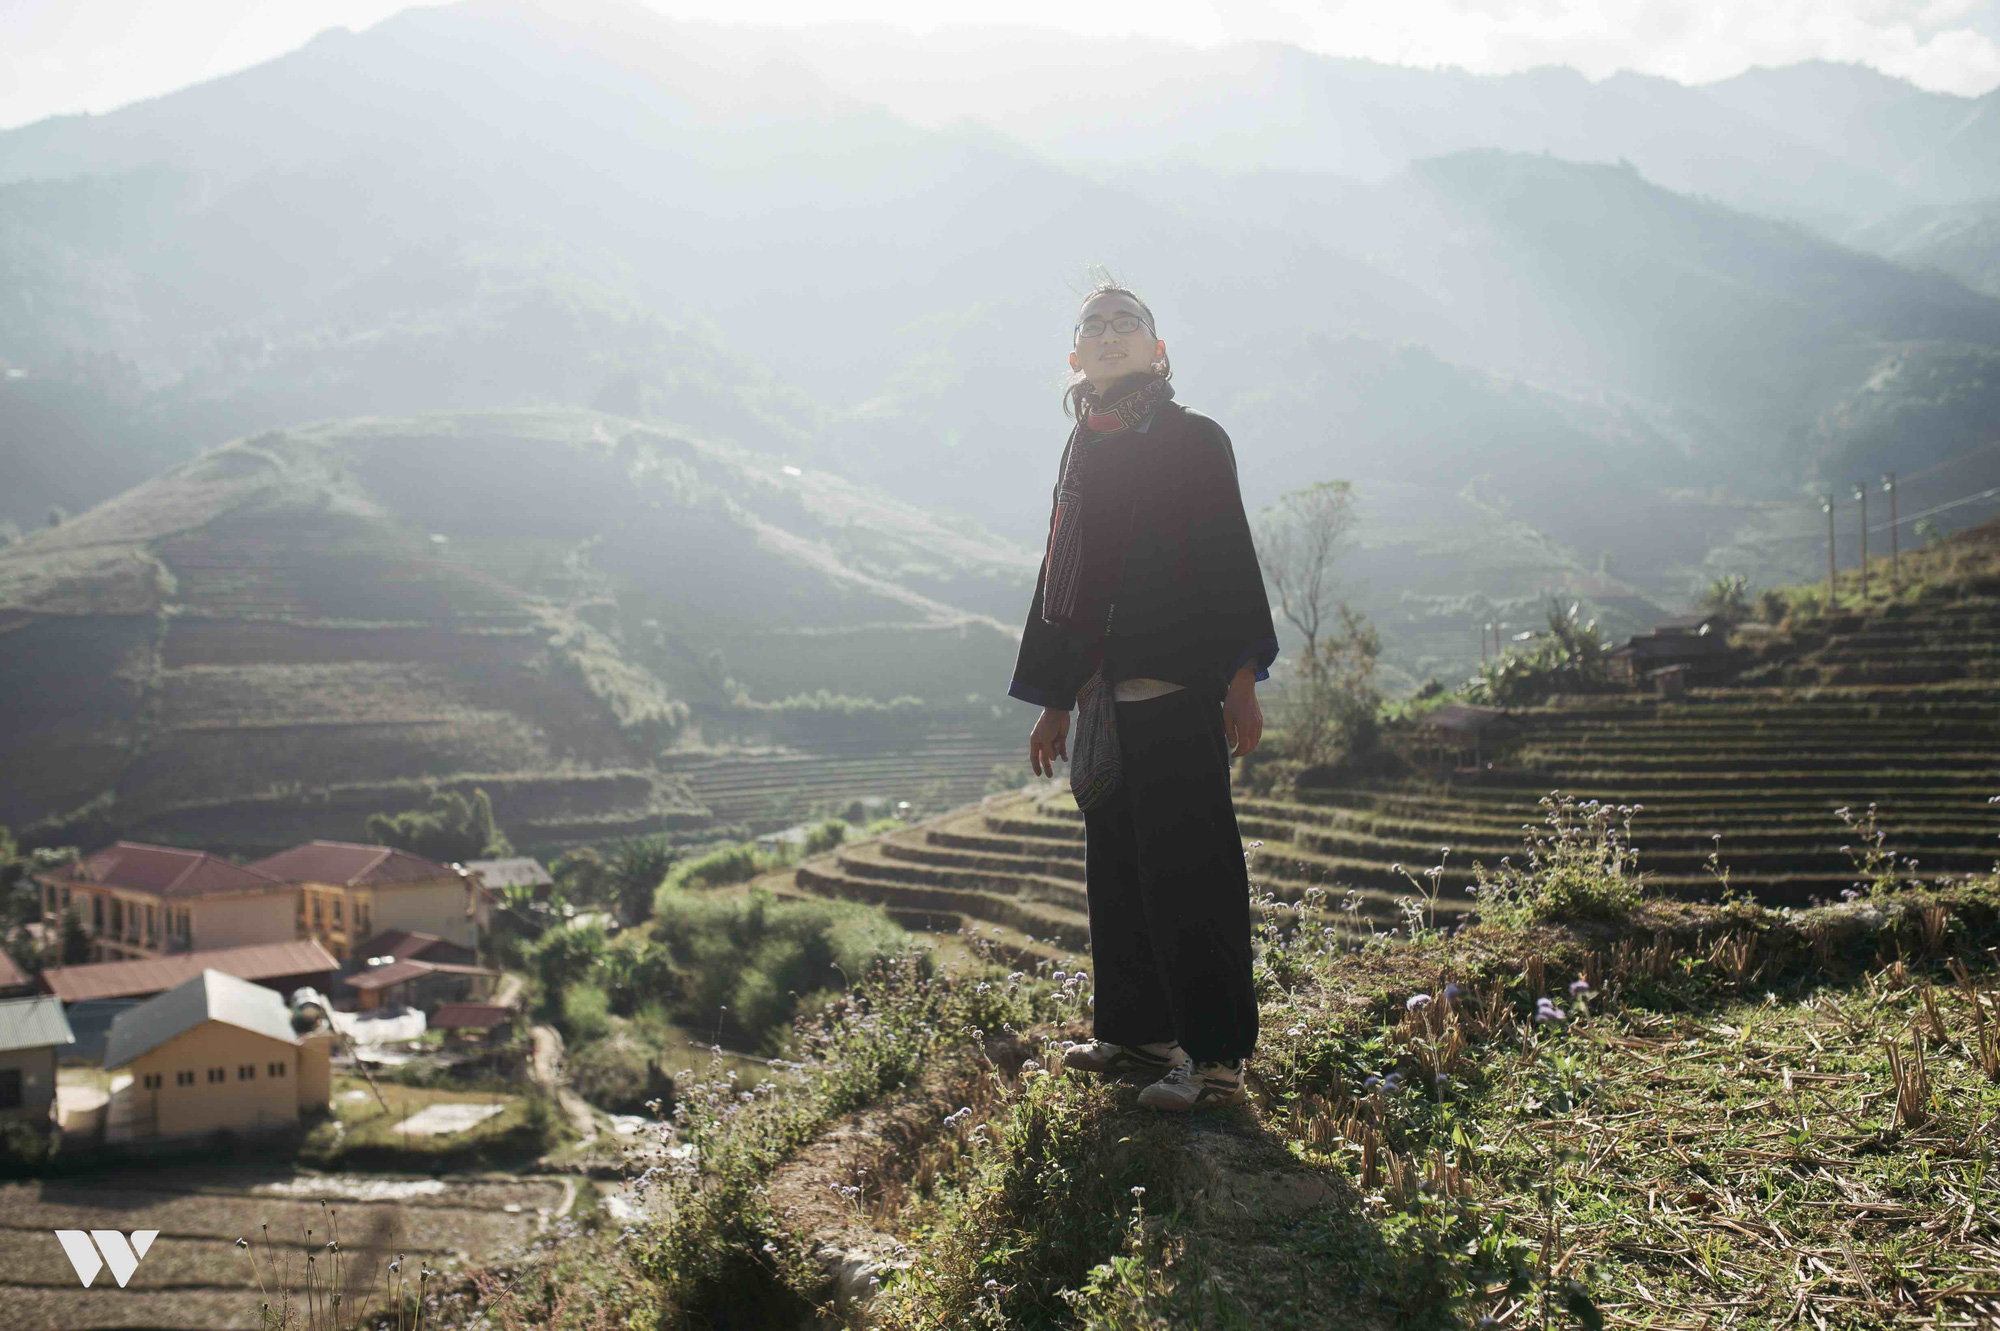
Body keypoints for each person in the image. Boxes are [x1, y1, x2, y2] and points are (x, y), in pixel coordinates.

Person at [1008, 281, 1277, 1111]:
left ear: (1158, 351)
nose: (1112, 333)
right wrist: (1057, 698)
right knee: (1118, 872)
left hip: (1177, 689)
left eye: (1129, 323)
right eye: (1095, 325)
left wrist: (1240, 678)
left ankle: (1216, 1060)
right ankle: (1135, 1035)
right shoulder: (1082, 450)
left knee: (1191, 872)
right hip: (1104, 703)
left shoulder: (1195, 439)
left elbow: (1229, 556)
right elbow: (1063, 578)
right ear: (1075, 357)